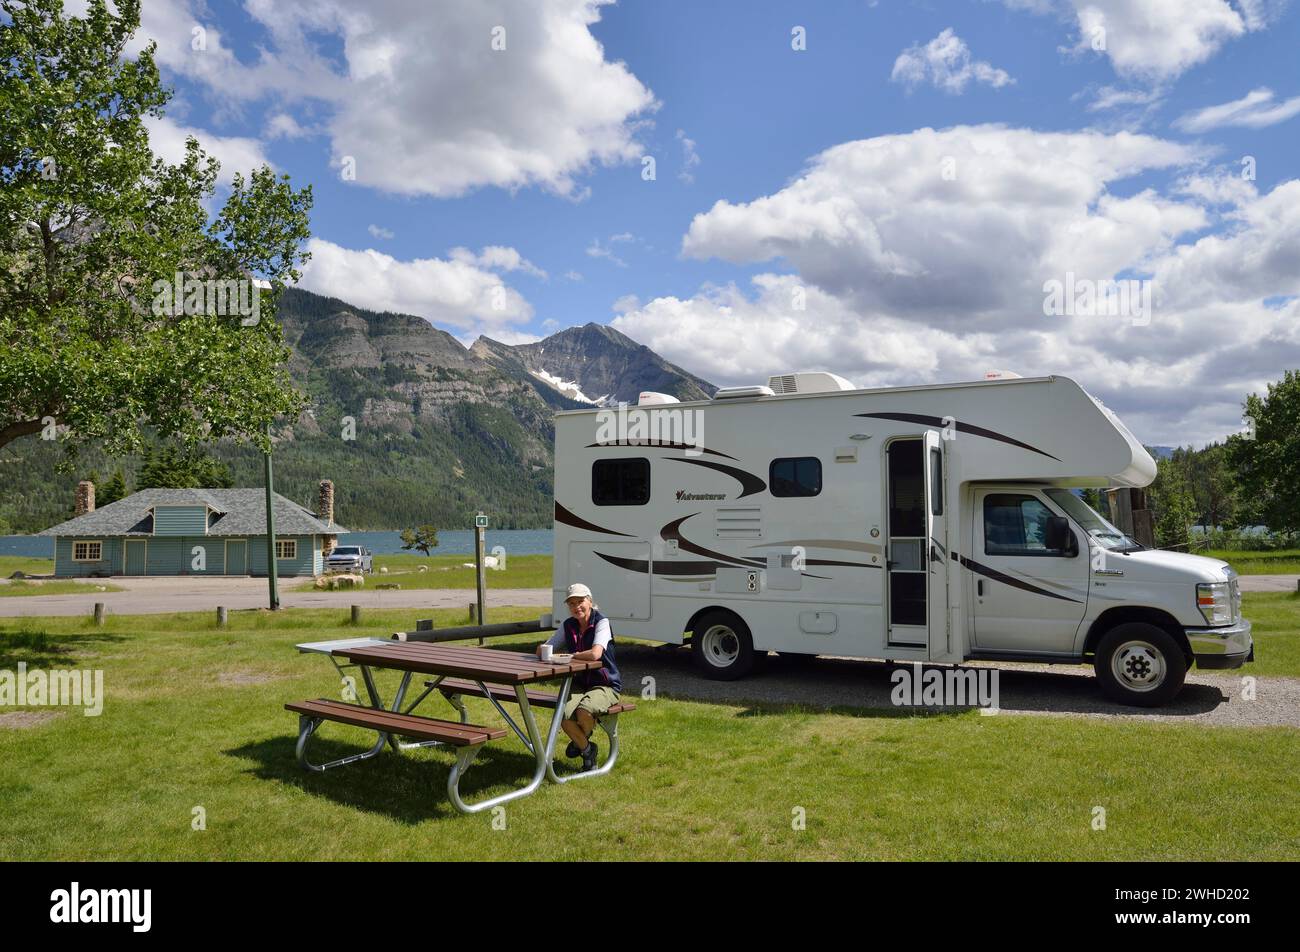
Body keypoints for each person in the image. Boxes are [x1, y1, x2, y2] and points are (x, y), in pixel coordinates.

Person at [537, 583, 622, 771]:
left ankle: (580, 743)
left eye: (580, 601)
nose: (577, 607)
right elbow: (546, 647)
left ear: (590, 601)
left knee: (583, 711)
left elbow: (595, 654)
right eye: (572, 603)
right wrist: (544, 650)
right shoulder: (568, 625)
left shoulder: (602, 623)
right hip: (578, 682)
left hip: (605, 684)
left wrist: (570, 655)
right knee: (564, 715)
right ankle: (587, 749)